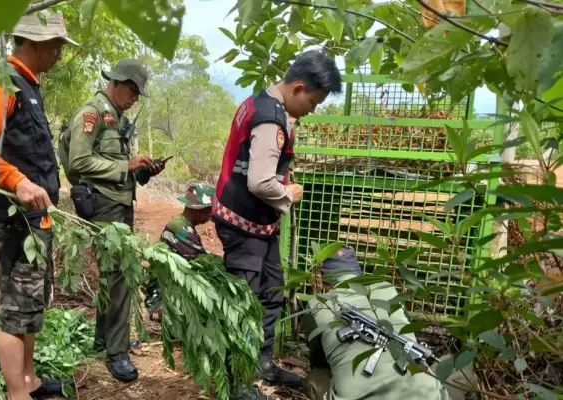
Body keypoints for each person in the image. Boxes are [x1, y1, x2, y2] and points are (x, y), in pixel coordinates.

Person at [0, 12, 77, 400]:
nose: (59, 53)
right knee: (14, 310)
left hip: (35, 220)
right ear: (35, 43)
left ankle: (31, 381)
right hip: (14, 220)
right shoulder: (1, 82)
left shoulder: (28, 85)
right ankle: (16, 393)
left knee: (31, 305)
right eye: (56, 45)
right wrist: (18, 182)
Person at [212, 50, 342, 399]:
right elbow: (259, 182)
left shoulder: (266, 104)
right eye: (313, 102)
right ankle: (237, 381)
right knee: (243, 301)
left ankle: (261, 361)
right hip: (243, 224)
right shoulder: (270, 119)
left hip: (260, 224)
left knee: (271, 292)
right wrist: (288, 193)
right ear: (298, 87)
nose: (312, 110)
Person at [58, 58, 162, 383]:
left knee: (111, 276)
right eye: (131, 92)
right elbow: (79, 161)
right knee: (118, 278)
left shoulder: (115, 117)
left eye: (136, 95)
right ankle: (116, 354)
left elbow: (116, 162)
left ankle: (105, 340)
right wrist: (125, 167)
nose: (133, 100)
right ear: (115, 83)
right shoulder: (91, 113)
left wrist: (142, 171)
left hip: (118, 205)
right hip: (103, 207)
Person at [302, 246, 478, 400]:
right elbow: (406, 328)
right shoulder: (387, 289)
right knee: (457, 366)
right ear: (357, 274)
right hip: (424, 395)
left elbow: (319, 361)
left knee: (315, 378)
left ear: (324, 281)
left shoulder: (318, 304)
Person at [144, 183, 218, 322]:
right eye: (209, 210)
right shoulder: (180, 228)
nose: (210, 216)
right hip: (163, 301)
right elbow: (204, 263)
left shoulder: (183, 224)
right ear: (197, 210)